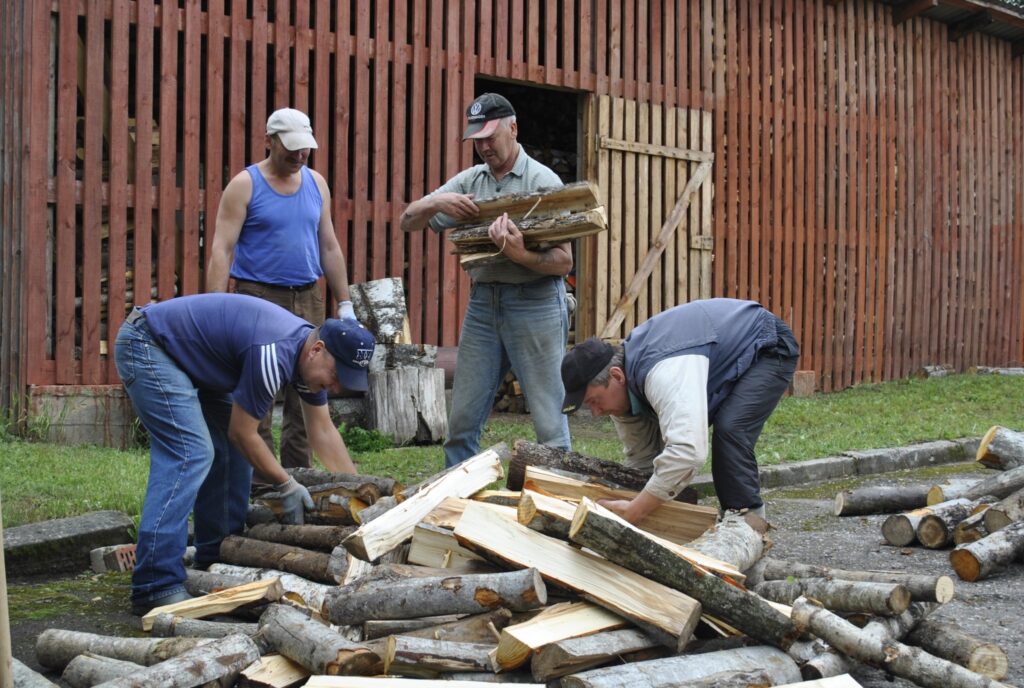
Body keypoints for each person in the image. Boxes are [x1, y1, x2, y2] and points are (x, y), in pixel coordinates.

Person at [114, 293, 375, 615]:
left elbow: (322, 432)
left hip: (198, 362)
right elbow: (243, 432)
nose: (335, 388)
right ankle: (155, 584)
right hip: (149, 344)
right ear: (317, 350)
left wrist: (360, 499)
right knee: (191, 453)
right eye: (336, 376)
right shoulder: (273, 352)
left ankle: (216, 556)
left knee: (231, 456)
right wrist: (286, 484)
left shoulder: (307, 361)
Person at [400, 93, 572, 468]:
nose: (484, 147)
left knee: (549, 421)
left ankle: (558, 494)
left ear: (513, 129)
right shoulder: (470, 181)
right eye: (477, 139)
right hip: (483, 304)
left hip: (536, 303)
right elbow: (407, 220)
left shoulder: (543, 180)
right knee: (462, 419)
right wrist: (436, 203)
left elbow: (564, 261)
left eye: (490, 137)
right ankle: (453, 495)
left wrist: (521, 256)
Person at [206, 107, 357, 471]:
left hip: (307, 296)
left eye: (305, 147)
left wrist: (345, 303)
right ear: (269, 141)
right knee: (256, 398)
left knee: (307, 394)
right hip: (258, 298)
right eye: (291, 147)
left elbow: (329, 246)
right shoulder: (245, 185)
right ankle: (260, 486)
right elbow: (222, 249)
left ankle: (299, 480)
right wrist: (215, 310)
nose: (300, 154)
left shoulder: (316, 183)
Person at [560, 298, 799, 524]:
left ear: (616, 376)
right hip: (717, 350)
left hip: (765, 344)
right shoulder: (624, 391)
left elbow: (688, 452)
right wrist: (634, 500)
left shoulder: (663, 373)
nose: (595, 413)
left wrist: (636, 510)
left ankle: (747, 525)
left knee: (730, 429)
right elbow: (642, 461)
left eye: (594, 401)